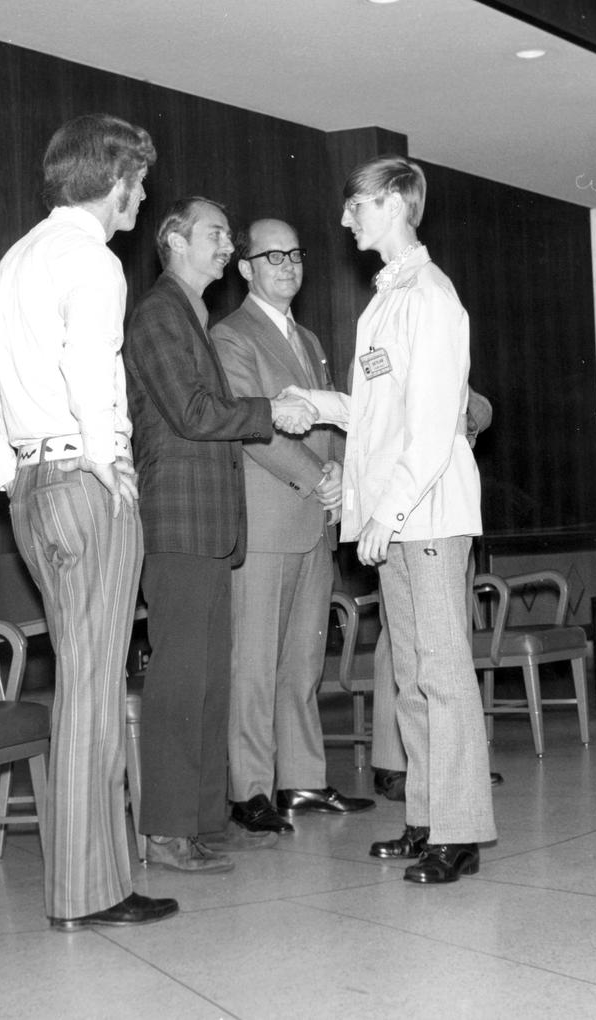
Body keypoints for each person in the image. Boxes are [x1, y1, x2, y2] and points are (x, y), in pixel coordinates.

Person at [0, 114, 177, 929]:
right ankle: (89, 892)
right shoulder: (92, 260)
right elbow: (90, 367)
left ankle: (96, 882)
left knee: (81, 679)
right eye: (139, 181)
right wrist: (105, 454)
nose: (143, 195)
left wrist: (12, 471)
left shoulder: (16, 261)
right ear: (114, 179)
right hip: (86, 489)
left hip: (35, 490)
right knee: (93, 684)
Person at [284, 156, 497, 884]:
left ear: (399, 204)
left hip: (429, 515)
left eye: (358, 206)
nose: (347, 220)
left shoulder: (432, 299)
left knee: (441, 673)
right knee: (410, 677)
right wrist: (319, 406)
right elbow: (379, 415)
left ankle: (460, 829)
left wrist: (389, 509)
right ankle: (425, 818)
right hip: (401, 516)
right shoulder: (386, 300)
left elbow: (435, 426)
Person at [123, 198, 318, 873]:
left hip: (208, 524)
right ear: (174, 239)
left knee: (209, 682)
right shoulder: (157, 313)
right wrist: (273, 412)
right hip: (178, 521)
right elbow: (192, 411)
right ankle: (167, 831)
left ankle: (205, 822)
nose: (223, 244)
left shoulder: (192, 316)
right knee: (180, 681)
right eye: (213, 235)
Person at [210, 218, 375, 834]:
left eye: (295, 253)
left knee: (303, 662)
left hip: (314, 517)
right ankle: (249, 790)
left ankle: (301, 780)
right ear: (245, 267)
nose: (287, 264)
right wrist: (318, 476)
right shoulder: (229, 337)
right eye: (271, 255)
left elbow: (327, 419)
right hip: (270, 517)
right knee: (253, 663)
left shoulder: (307, 338)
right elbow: (255, 426)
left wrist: (340, 477)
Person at [371, 385, 498, 802]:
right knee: (404, 651)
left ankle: (452, 784)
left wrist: (458, 413)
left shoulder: (436, 328)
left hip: (444, 507)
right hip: (401, 508)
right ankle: (396, 766)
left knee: (443, 654)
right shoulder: (378, 339)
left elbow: (482, 407)